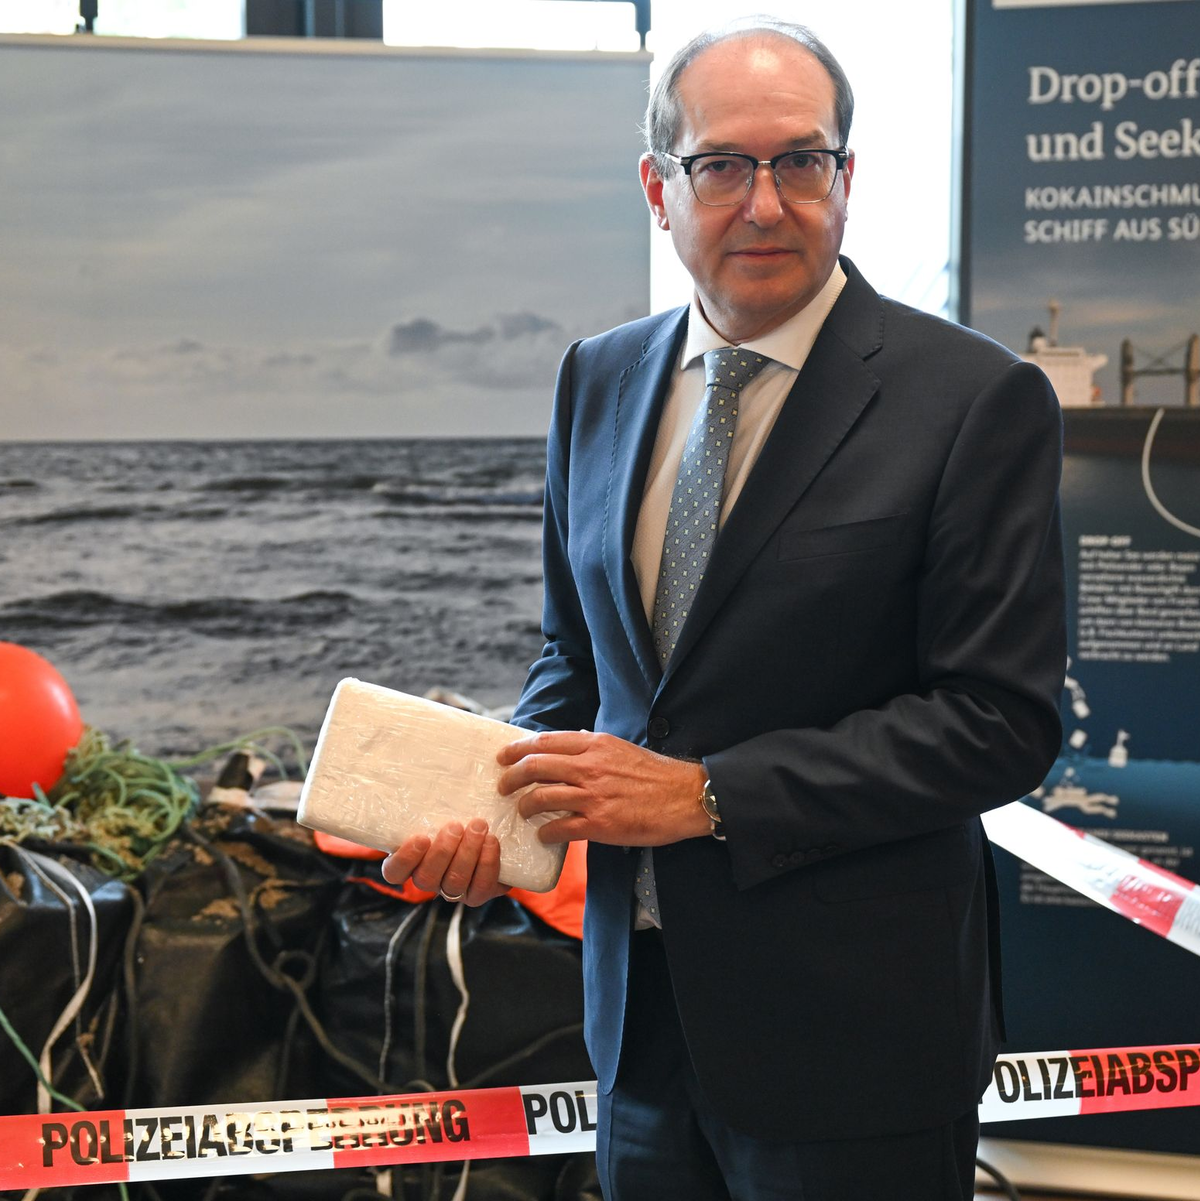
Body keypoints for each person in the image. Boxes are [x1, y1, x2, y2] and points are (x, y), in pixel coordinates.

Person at [382, 17, 1066, 1200]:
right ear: (660, 188)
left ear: (846, 177)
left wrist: (706, 795)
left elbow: (998, 722)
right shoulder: (597, 376)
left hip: (858, 1037)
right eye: (722, 166)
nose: (765, 203)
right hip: (637, 1024)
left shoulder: (976, 398)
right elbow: (576, 659)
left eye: (801, 161)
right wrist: (499, 810)